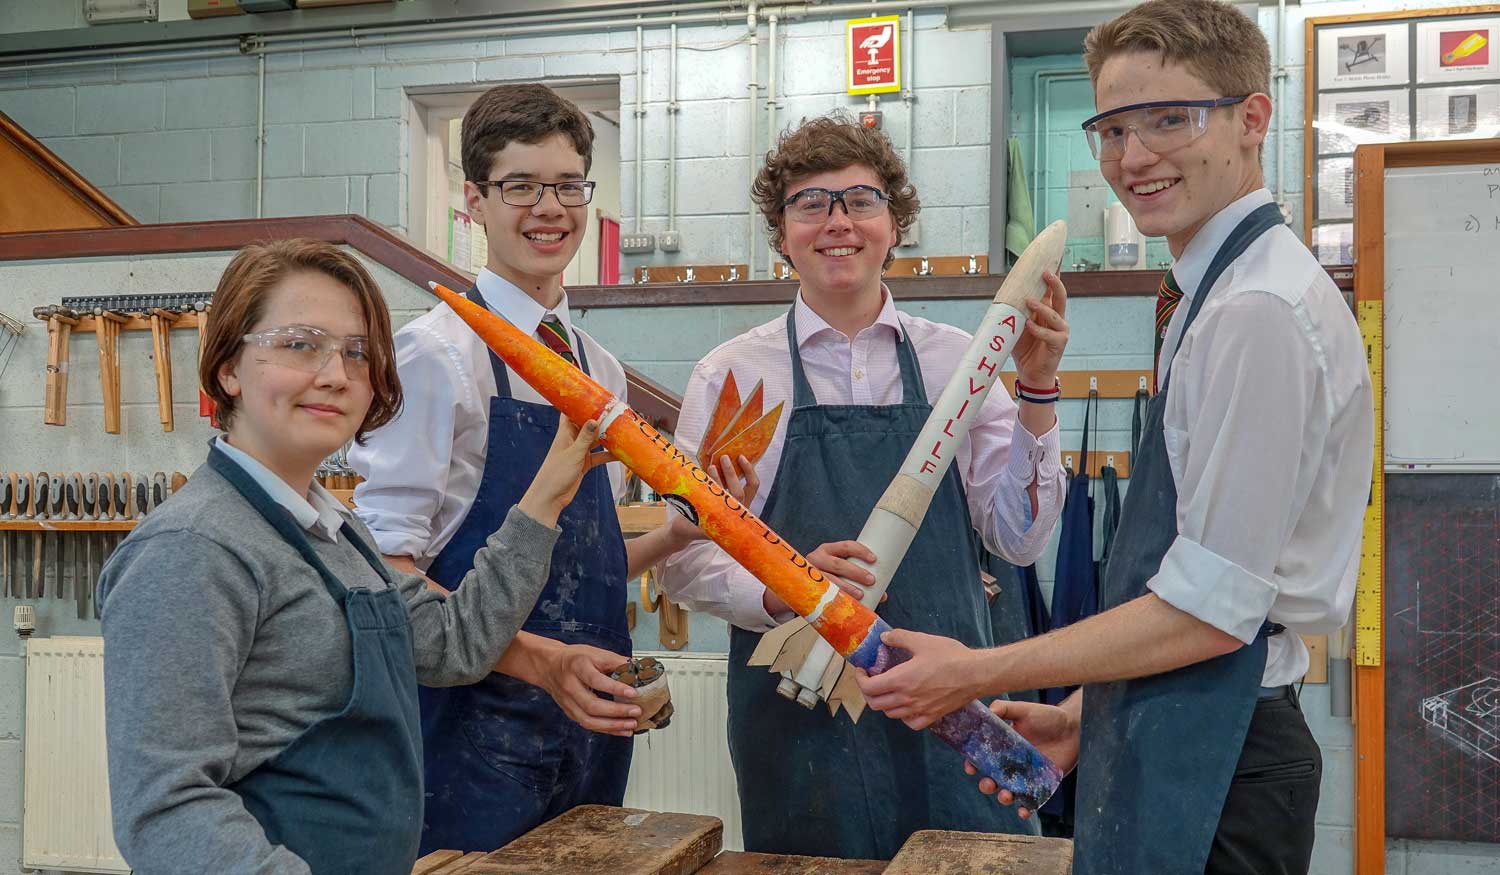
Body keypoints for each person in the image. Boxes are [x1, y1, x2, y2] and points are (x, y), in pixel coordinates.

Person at [853, 2, 1374, 873]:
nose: (1134, 158)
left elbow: (1212, 609)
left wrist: (977, 672)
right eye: (1113, 128)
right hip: (1172, 720)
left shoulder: (1256, 311)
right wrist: (1083, 714)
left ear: (1253, 117)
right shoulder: (1207, 292)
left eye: (1172, 118)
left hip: (1223, 753)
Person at [98, 239, 599, 875]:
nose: (337, 374)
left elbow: (456, 643)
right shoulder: (193, 549)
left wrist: (547, 492)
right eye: (301, 343)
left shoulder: (338, 533)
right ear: (228, 367)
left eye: (357, 352)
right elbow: (166, 810)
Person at [348, 82, 756, 854]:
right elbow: (385, 576)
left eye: (568, 185)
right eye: (521, 186)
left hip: (587, 734)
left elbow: (571, 567)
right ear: (473, 200)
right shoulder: (436, 354)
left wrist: (676, 535)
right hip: (472, 737)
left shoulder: (596, 365)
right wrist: (543, 663)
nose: (549, 207)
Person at [655, 114, 1070, 860]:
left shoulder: (955, 364)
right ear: (781, 233)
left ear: (894, 223)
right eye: (811, 203)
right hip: (798, 725)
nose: (837, 222)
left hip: (948, 701)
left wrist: (1037, 388)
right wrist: (781, 589)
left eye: (861, 200)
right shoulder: (736, 377)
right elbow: (684, 562)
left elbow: (1019, 535)